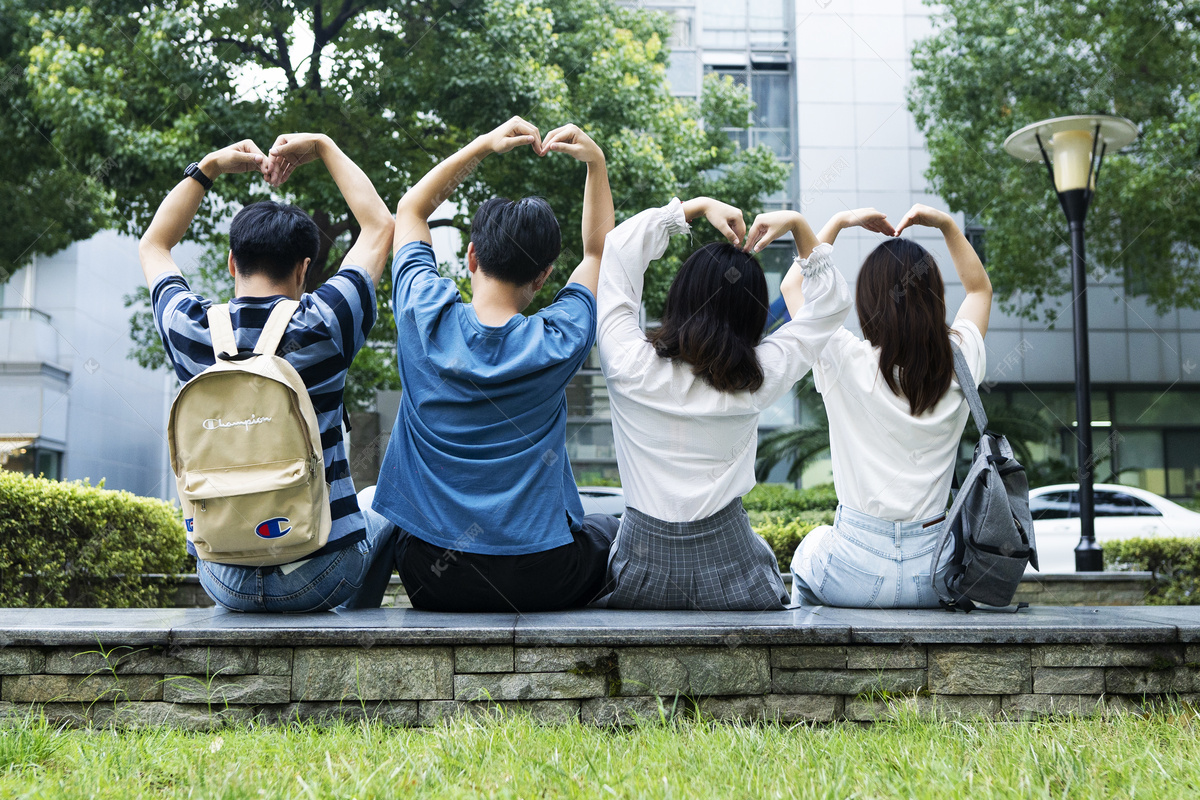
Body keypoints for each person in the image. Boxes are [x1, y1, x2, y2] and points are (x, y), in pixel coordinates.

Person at [346, 117, 618, 612]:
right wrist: (595, 165)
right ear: (544, 276)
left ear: (470, 255)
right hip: (545, 575)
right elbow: (600, 249)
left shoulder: (421, 315)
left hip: (433, 577)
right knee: (612, 528)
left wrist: (484, 144)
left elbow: (411, 208)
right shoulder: (560, 339)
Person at [141, 134, 394, 611]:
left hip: (222, 579)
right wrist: (323, 147)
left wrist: (210, 166)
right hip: (322, 576)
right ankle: (353, 624)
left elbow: (156, 243)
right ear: (303, 269)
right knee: (387, 496)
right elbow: (379, 226)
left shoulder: (192, 330)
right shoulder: (324, 324)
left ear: (233, 261)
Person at [592, 201, 852, 610]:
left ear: (680, 295)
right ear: (752, 314)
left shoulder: (628, 363)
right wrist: (801, 227)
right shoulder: (757, 377)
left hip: (641, 573)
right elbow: (830, 307)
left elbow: (618, 251)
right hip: (734, 574)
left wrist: (695, 208)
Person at [789, 204, 992, 608]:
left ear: (867, 302)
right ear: (934, 297)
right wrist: (948, 226)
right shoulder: (960, 361)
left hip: (852, 573)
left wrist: (838, 221)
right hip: (934, 576)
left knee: (809, 549)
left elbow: (793, 287)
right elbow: (979, 289)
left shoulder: (842, 357)